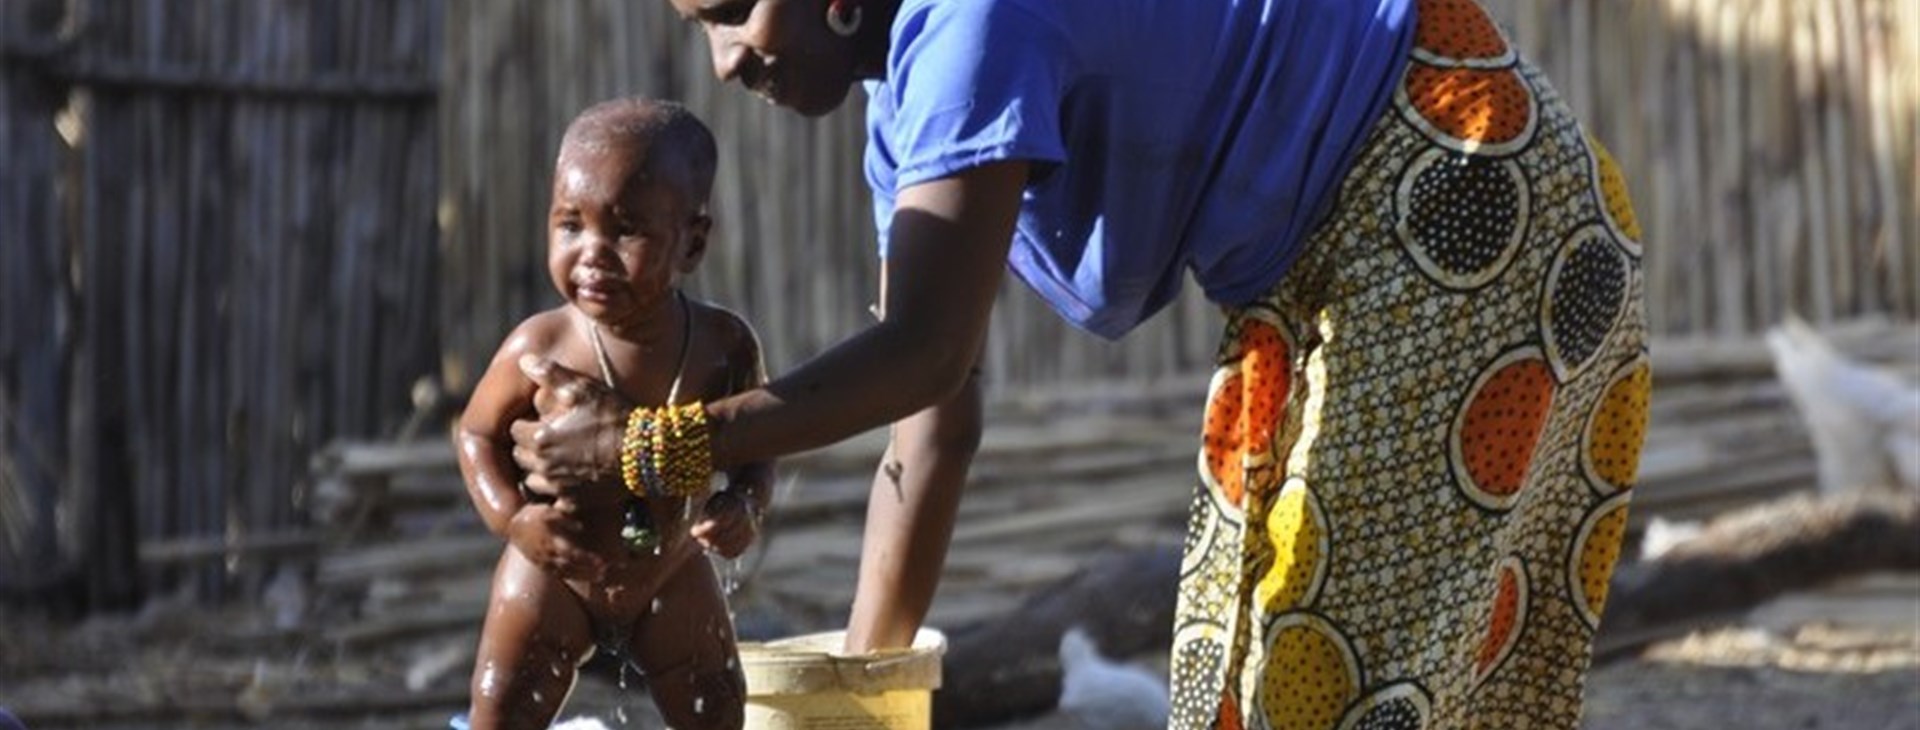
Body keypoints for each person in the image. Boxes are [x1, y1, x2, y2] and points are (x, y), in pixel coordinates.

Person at [510, 0, 1651, 726]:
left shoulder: (976, 21)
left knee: (1324, 677)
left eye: (732, 12)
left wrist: (657, 442)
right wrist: (859, 687)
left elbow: (923, 353)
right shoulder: (909, 106)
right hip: (1342, 268)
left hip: (1456, 200)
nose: (724, 63)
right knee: (1238, 666)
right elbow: (934, 420)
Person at [456, 97, 772, 730]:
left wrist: (745, 504)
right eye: (570, 226)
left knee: (718, 706)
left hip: (672, 564)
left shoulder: (723, 347)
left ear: (693, 241)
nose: (593, 252)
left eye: (625, 229)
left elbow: (759, 445)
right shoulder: (540, 346)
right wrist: (514, 520)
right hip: (555, 566)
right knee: (502, 707)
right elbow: (475, 434)